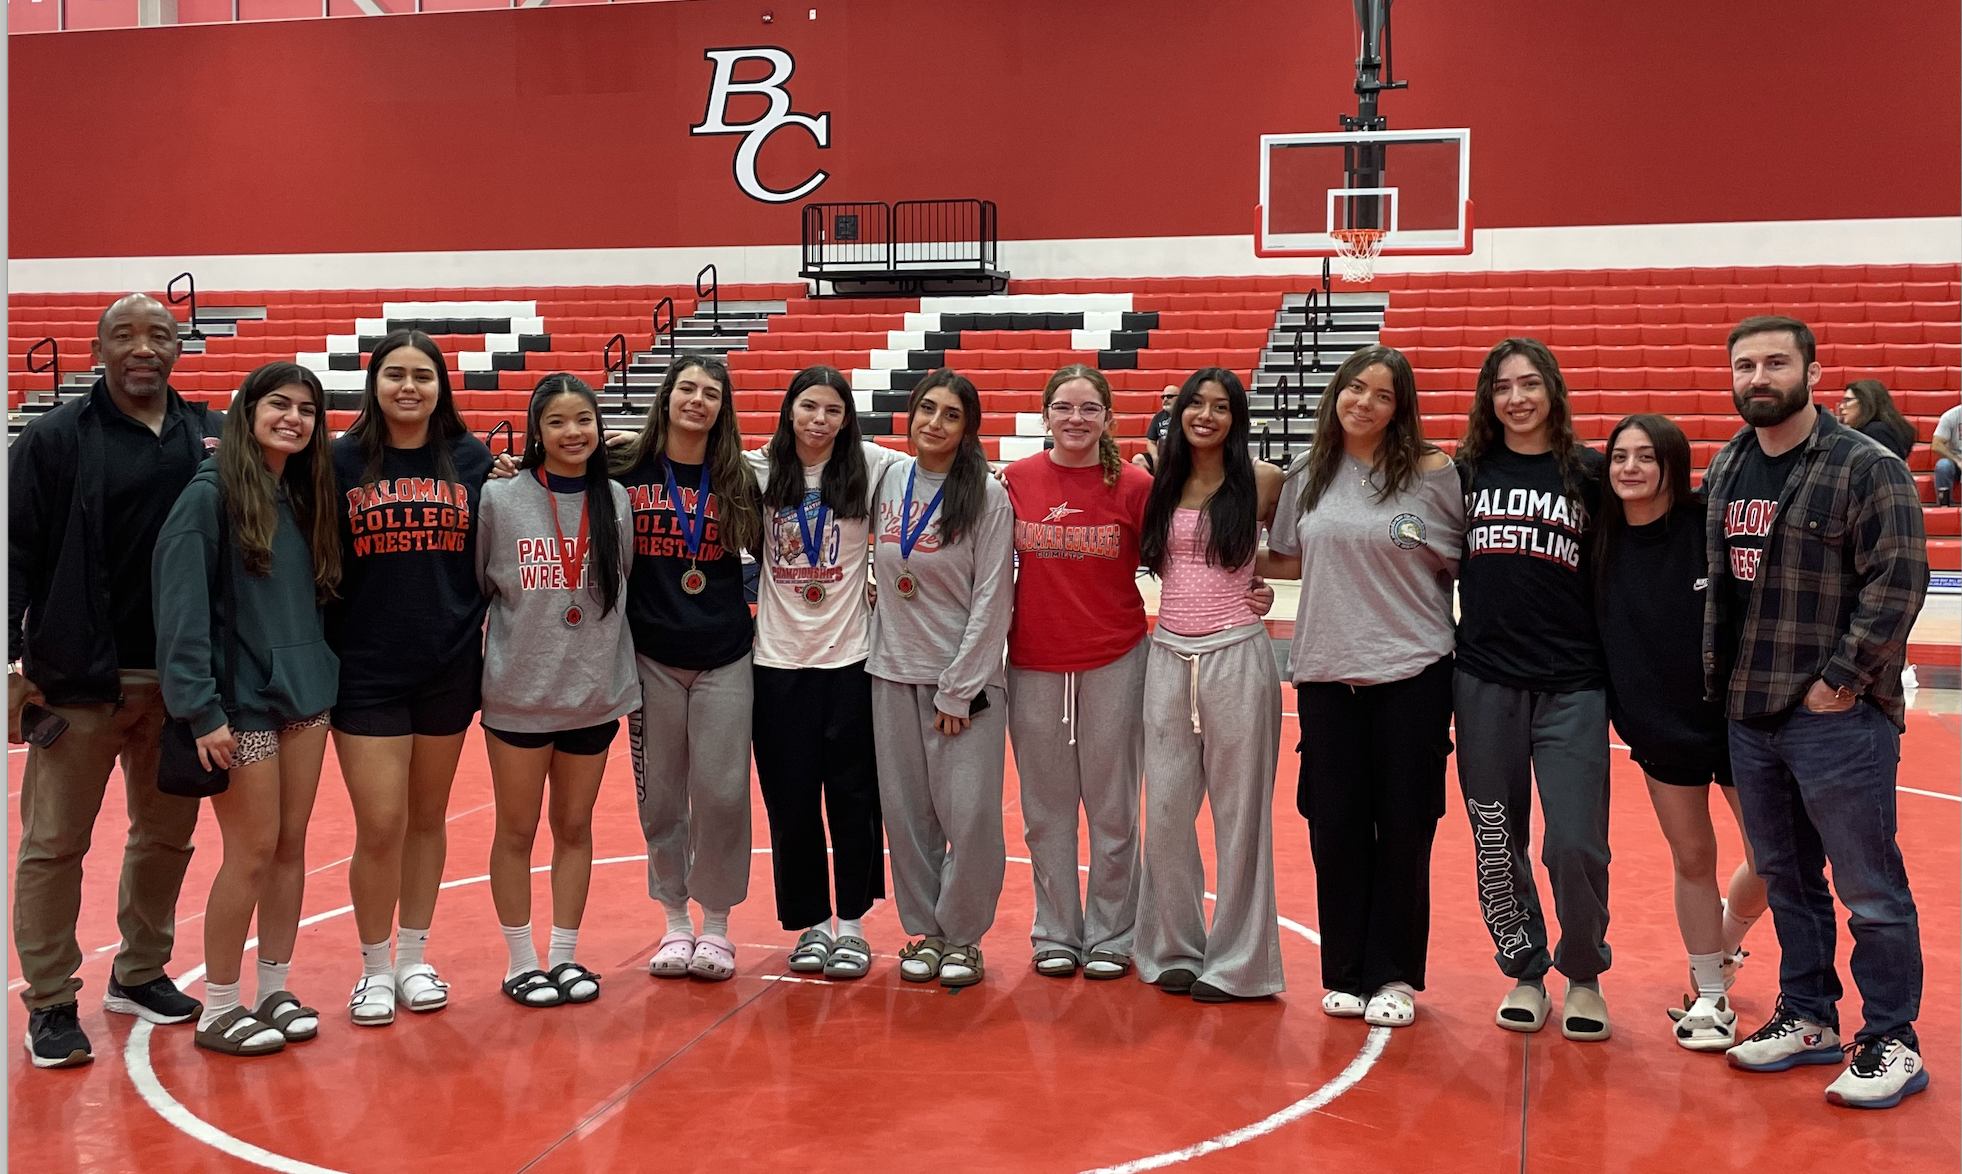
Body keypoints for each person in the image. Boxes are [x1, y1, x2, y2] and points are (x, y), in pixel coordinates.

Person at [1708, 316, 1930, 1110]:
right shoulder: (1732, 462)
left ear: (1810, 369)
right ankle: (1808, 1016)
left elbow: (1899, 582)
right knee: (1789, 879)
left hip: (1835, 716)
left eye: (1775, 362)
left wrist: (1839, 680)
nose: (1758, 377)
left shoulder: (1866, 466)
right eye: (1745, 366)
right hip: (1750, 710)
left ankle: (1892, 1039)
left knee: (1869, 887)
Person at [8, 293, 220, 1068]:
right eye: (125, 334)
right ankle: (52, 1001)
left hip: (183, 686)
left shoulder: (208, 436)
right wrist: (9, 662)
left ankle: (138, 972)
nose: (142, 347)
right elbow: (14, 554)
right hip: (77, 683)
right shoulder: (53, 439)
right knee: (55, 844)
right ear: (97, 348)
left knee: (167, 835)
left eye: (158, 335)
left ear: (176, 349)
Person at [1259, 346, 1461, 1027]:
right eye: (1354, 388)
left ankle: (1395, 973)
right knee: (1335, 824)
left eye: (1381, 393)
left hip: (1413, 670)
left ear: (1399, 407)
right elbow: (1286, 554)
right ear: (1336, 394)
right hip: (1324, 671)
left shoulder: (1435, 475)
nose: (1364, 402)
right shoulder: (1308, 474)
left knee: (1405, 825)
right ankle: (1344, 969)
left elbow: (1465, 564)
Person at [154, 362, 343, 1056]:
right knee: (252, 850)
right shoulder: (207, 499)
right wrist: (200, 712)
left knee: (291, 847)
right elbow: (180, 615)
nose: (293, 417)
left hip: (306, 700)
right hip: (241, 708)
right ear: (247, 411)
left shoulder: (302, 494)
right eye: (278, 404)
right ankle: (221, 1007)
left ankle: (272, 989)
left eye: (306, 408)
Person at [328, 331, 494, 1026]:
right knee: (382, 823)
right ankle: (372, 967)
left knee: (428, 818)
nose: (408, 387)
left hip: (448, 663)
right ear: (374, 384)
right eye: (394, 375)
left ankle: (415, 957)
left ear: (440, 387)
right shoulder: (338, 460)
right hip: (364, 668)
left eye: (422, 376)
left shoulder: (471, 458)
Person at [1453, 337, 1613, 1041]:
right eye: (1502, 387)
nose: (1516, 398)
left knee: (1575, 841)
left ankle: (1584, 974)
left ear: (1553, 390)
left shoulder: (1592, 475)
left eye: (1529, 384)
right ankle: (1525, 969)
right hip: (1484, 679)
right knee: (1497, 837)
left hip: (1572, 686)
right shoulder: (1463, 473)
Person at [1593, 413, 1766, 1052]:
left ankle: (1722, 945)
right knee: (1693, 858)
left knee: (1775, 858)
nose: (1630, 468)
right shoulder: (1600, 543)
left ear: (1672, 464)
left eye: (1645, 456)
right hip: (1659, 731)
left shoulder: (1708, 529)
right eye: (1619, 457)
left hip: (1739, 723)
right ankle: (1710, 995)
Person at [477, 375, 637, 1009]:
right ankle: (522, 962)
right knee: (516, 831)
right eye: (558, 422)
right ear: (535, 432)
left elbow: (622, 578)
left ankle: (566, 957)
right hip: (519, 694)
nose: (574, 433)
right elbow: (482, 585)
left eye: (584, 420)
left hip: (592, 694)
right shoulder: (500, 499)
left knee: (575, 826)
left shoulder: (617, 500)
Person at [1135, 367, 1286, 1003]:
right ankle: (1172, 945)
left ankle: (1239, 964)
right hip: (1167, 655)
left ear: (1237, 417)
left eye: (1220, 407)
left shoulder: (1266, 480)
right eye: (1196, 403)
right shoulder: (1156, 480)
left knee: (1240, 817)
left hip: (1236, 658)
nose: (1205, 415)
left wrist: (1262, 579)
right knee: (1165, 815)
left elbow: (1299, 549)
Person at [611, 355, 764, 982]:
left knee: (724, 795)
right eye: (686, 388)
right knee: (662, 796)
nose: (697, 400)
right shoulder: (625, 466)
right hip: (651, 657)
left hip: (726, 654)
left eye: (710, 393)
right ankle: (675, 923)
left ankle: (718, 926)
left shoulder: (737, 479)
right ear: (666, 396)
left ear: (722, 407)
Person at [1002, 365, 1156, 981]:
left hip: (1116, 658)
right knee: (1046, 811)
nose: (1075, 419)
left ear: (1108, 419)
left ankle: (1114, 934)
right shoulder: (1015, 481)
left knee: (1114, 807)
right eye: (1063, 407)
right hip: (1034, 663)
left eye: (1089, 408)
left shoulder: (1136, 486)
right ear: (1045, 415)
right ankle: (1056, 933)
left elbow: (1184, 557)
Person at [748, 366, 902, 980]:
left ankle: (855, 926)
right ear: (789, 411)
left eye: (833, 410)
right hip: (777, 662)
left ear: (847, 418)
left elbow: (945, 461)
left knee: (855, 799)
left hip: (850, 661)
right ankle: (811, 925)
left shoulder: (872, 465)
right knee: (791, 805)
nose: (820, 420)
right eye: (809, 407)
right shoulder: (758, 470)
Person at [868, 369, 1015, 989]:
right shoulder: (888, 477)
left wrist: (961, 685)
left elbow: (993, 598)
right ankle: (926, 931)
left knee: (971, 817)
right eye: (927, 409)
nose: (935, 422)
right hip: (890, 674)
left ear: (968, 428)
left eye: (951, 414)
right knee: (906, 818)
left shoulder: (986, 495)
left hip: (963, 685)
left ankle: (965, 936)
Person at [1834, 380, 1916, 460]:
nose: (1841, 406)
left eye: (1847, 400)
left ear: (1865, 402)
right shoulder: (1883, 428)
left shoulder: (1875, 432)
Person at [1130, 385, 1179, 474]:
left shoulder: (1184, 416)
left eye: (1170, 396)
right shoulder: (1159, 416)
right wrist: (1155, 457)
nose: (1165, 400)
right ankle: (1153, 486)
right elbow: (1151, 441)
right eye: (1163, 397)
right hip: (1161, 457)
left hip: (1179, 457)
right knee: (1138, 460)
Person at [1932, 403, 1958, 507]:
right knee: (1943, 466)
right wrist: (1957, 460)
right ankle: (1945, 507)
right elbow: (1936, 445)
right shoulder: (1951, 416)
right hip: (1956, 462)